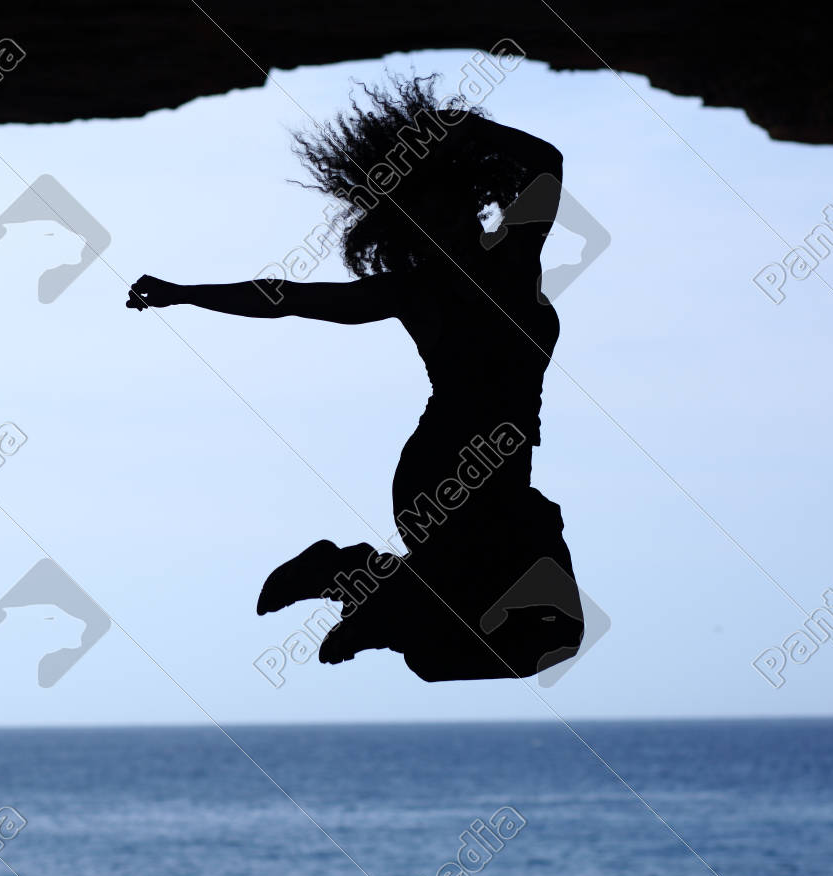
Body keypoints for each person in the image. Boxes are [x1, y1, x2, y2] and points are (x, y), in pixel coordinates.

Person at [126, 75, 585, 682]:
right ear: (404, 225)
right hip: (454, 475)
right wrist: (185, 294)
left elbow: (545, 163)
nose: (434, 221)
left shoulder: (513, 256)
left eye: (441, 203)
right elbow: (285, 297)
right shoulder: (422, 287)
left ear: (469, 198)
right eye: (417, 214)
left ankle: (360, 585)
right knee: (533, 638)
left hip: (494, 474)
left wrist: (453, 124)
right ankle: (359, 583)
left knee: (507, 645)